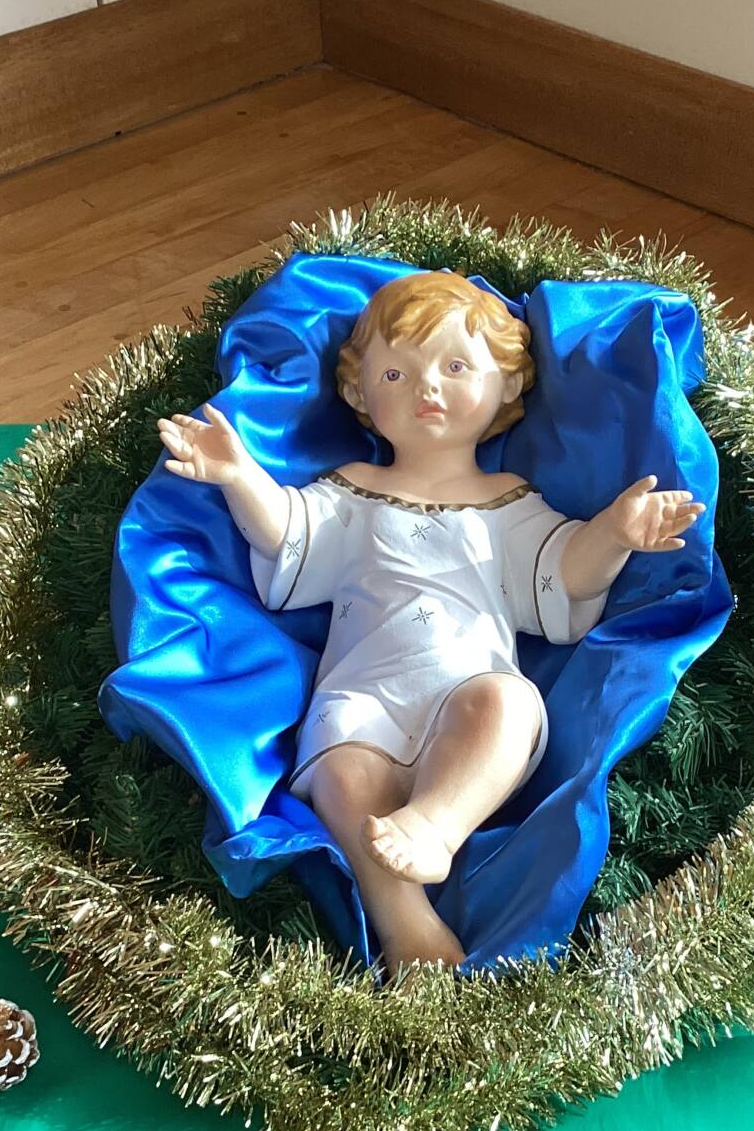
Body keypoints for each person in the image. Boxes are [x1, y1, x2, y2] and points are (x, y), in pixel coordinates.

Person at [156, 270, 704, 974]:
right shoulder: (354, 489)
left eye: (456, 367)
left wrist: (613, 534)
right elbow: (288, 533)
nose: (428, 389)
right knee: (344, 775)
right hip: (362, 697)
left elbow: (562, 575)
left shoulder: (508, 500)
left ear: (508, 382)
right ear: (358, 393)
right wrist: (241, 477)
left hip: (466, 691)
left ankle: (439, 824)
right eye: (395, 373)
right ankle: (405, 922)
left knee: (509, 704)